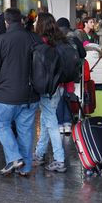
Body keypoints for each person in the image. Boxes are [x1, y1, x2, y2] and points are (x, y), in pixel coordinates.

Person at [0, 8, 39, 176]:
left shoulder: (0, 41)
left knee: (0, 123)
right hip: (31, 95)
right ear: (21, 21)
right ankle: (25, 168)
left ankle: (14, 157)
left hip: (6, 94)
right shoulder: (35, 39)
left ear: (6, 22)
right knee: (25, 130)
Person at [32, 13, 67, 173]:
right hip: (58, 86)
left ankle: (59, 160)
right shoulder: (61, 40)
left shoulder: (41, 42)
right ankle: (39, 154)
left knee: (51, 123)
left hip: (46, 88)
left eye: (37, 20)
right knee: (47, 120)